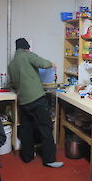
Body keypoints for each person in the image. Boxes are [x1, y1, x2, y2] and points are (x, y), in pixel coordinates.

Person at [8, 38, 63, 168]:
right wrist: (52, 64)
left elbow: (15, 85)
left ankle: (27, 156)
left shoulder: (12, 64)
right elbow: (43, 64)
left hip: (23, 101)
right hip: (36, 99)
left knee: (26, 127)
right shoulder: (28, 56)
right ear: (27, 48)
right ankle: (49, 160)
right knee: (46, 127)